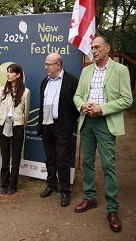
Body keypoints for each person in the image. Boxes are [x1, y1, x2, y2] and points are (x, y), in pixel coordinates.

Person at [73, 36, 132, 232]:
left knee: (108, 165)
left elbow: (126, 99)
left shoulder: (121, 70)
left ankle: (113, 210)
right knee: (87, 162)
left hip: (106, 123)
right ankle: (90, 198)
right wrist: (83, 105)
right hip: (87, 122)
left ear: (107, 48)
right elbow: (77, 95)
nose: (94, 50)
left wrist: (101, 108)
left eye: (97, 47)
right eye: (92, 47)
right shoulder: (86, 70)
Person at [37, 53, 79, 207]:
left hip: (62, 126)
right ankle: (51, 185)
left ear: (58, 65)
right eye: (45, 64)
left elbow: (76, 106)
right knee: (50, 157)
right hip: (46, 124)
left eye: (48, 64)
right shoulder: (44, 82)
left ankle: (65, 191)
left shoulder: (72, 81)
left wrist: (67, 121)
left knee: (62, 159)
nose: (45, 67)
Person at [0, 63, 30, 195]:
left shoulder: (26, 92)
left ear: (18, 75)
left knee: (16, 156)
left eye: (11, 72)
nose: (8, 74)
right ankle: (4, 184)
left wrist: (22, 125)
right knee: (5, 156)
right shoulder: (1, 90)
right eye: (7, 72)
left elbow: (26, 112)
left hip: (17, 126)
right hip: (4, 124)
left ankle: (13, 185)